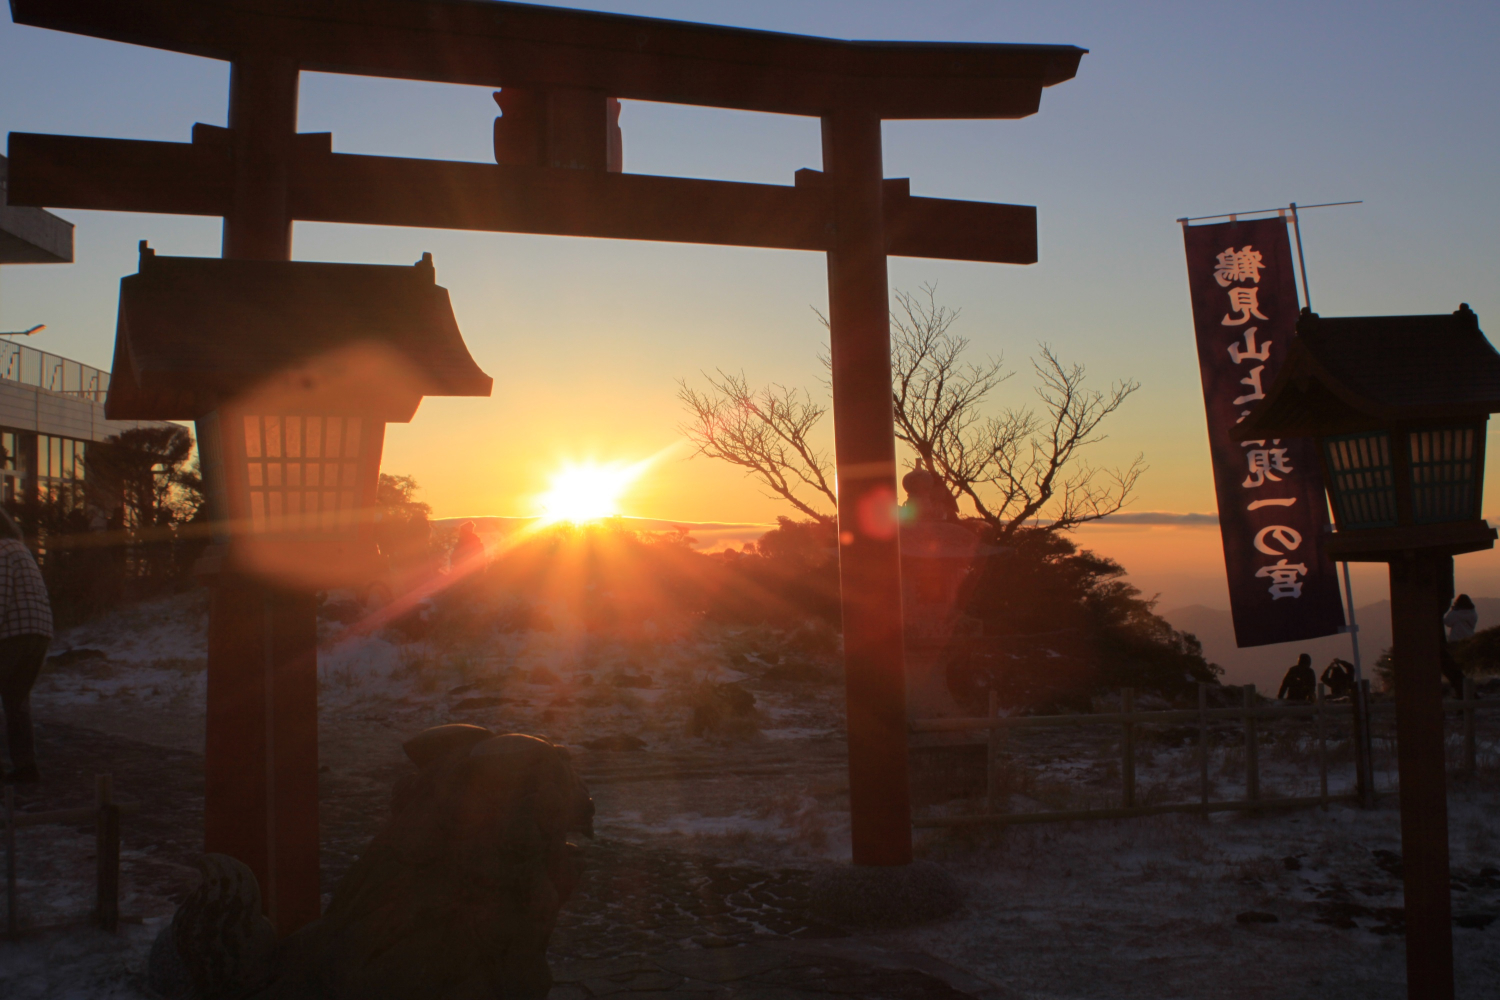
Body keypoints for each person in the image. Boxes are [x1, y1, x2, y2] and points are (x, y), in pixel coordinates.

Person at [0, 509, 52, 784]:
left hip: (13, 634)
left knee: (14, 700)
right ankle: (26, 767)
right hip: (40, 633)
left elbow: (0, 594)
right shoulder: (19, 549)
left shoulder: (1, 551)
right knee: (16, 701)